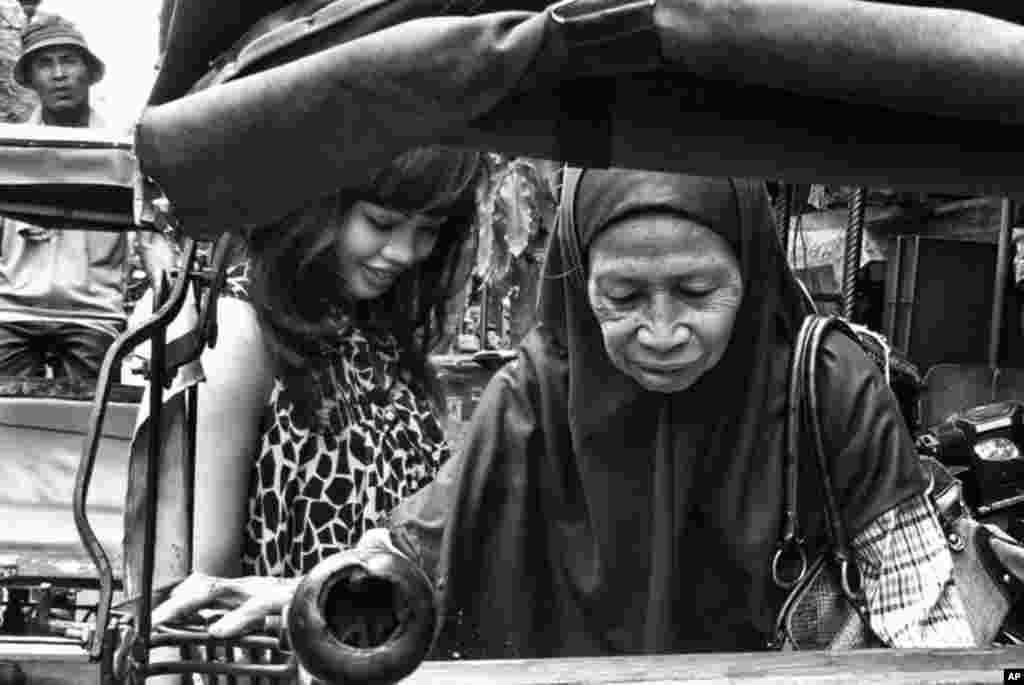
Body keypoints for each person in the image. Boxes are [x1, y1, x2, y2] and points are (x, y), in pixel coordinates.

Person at [152, 168, 974, 654]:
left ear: (752, 277)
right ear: (579, 290)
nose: (660, 331)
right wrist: (307, 591)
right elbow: (422, 551)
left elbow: (929, 628)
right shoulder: (538, 391)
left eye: (696, 291)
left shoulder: (826, 384)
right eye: (622, 296)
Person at [164, 146, 485, 580]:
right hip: (281, 640)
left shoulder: (376, 334)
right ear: (316, 206)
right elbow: (204, 579)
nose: (405, 253)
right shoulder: (241, 332)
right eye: (381, 223)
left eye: (428, 230)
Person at [0, 14, 176, 383]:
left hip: (92, 314)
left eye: (69, 60)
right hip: (10, 312)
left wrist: (169, 297)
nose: (59, 74)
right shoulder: (10, 148)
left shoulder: (121, 149)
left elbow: (151, 234)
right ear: (31, 78)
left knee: (94, 423)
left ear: (89, 72)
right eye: (45, 64)